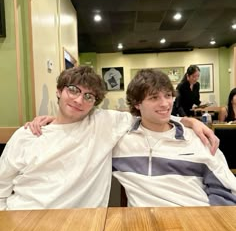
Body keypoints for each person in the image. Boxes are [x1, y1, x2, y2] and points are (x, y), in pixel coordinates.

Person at [0, 66, 219, 210]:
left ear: (94, 103)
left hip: (82, 226)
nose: (79, 100)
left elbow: (151, 113)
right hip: (21, 218)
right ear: (59, 91)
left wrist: (189, 121)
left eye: (88, 96)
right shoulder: (26, 136)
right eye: (73, 90)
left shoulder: (103, 123)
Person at [112, 68, 236, 207]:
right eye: (154, 97)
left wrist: (211, 223)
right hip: (146, 224)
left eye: (168, 95)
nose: (165, 104)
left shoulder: (197, 138)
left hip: (198, 218)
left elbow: (225, 189)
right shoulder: (121, 141)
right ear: (137, 103)